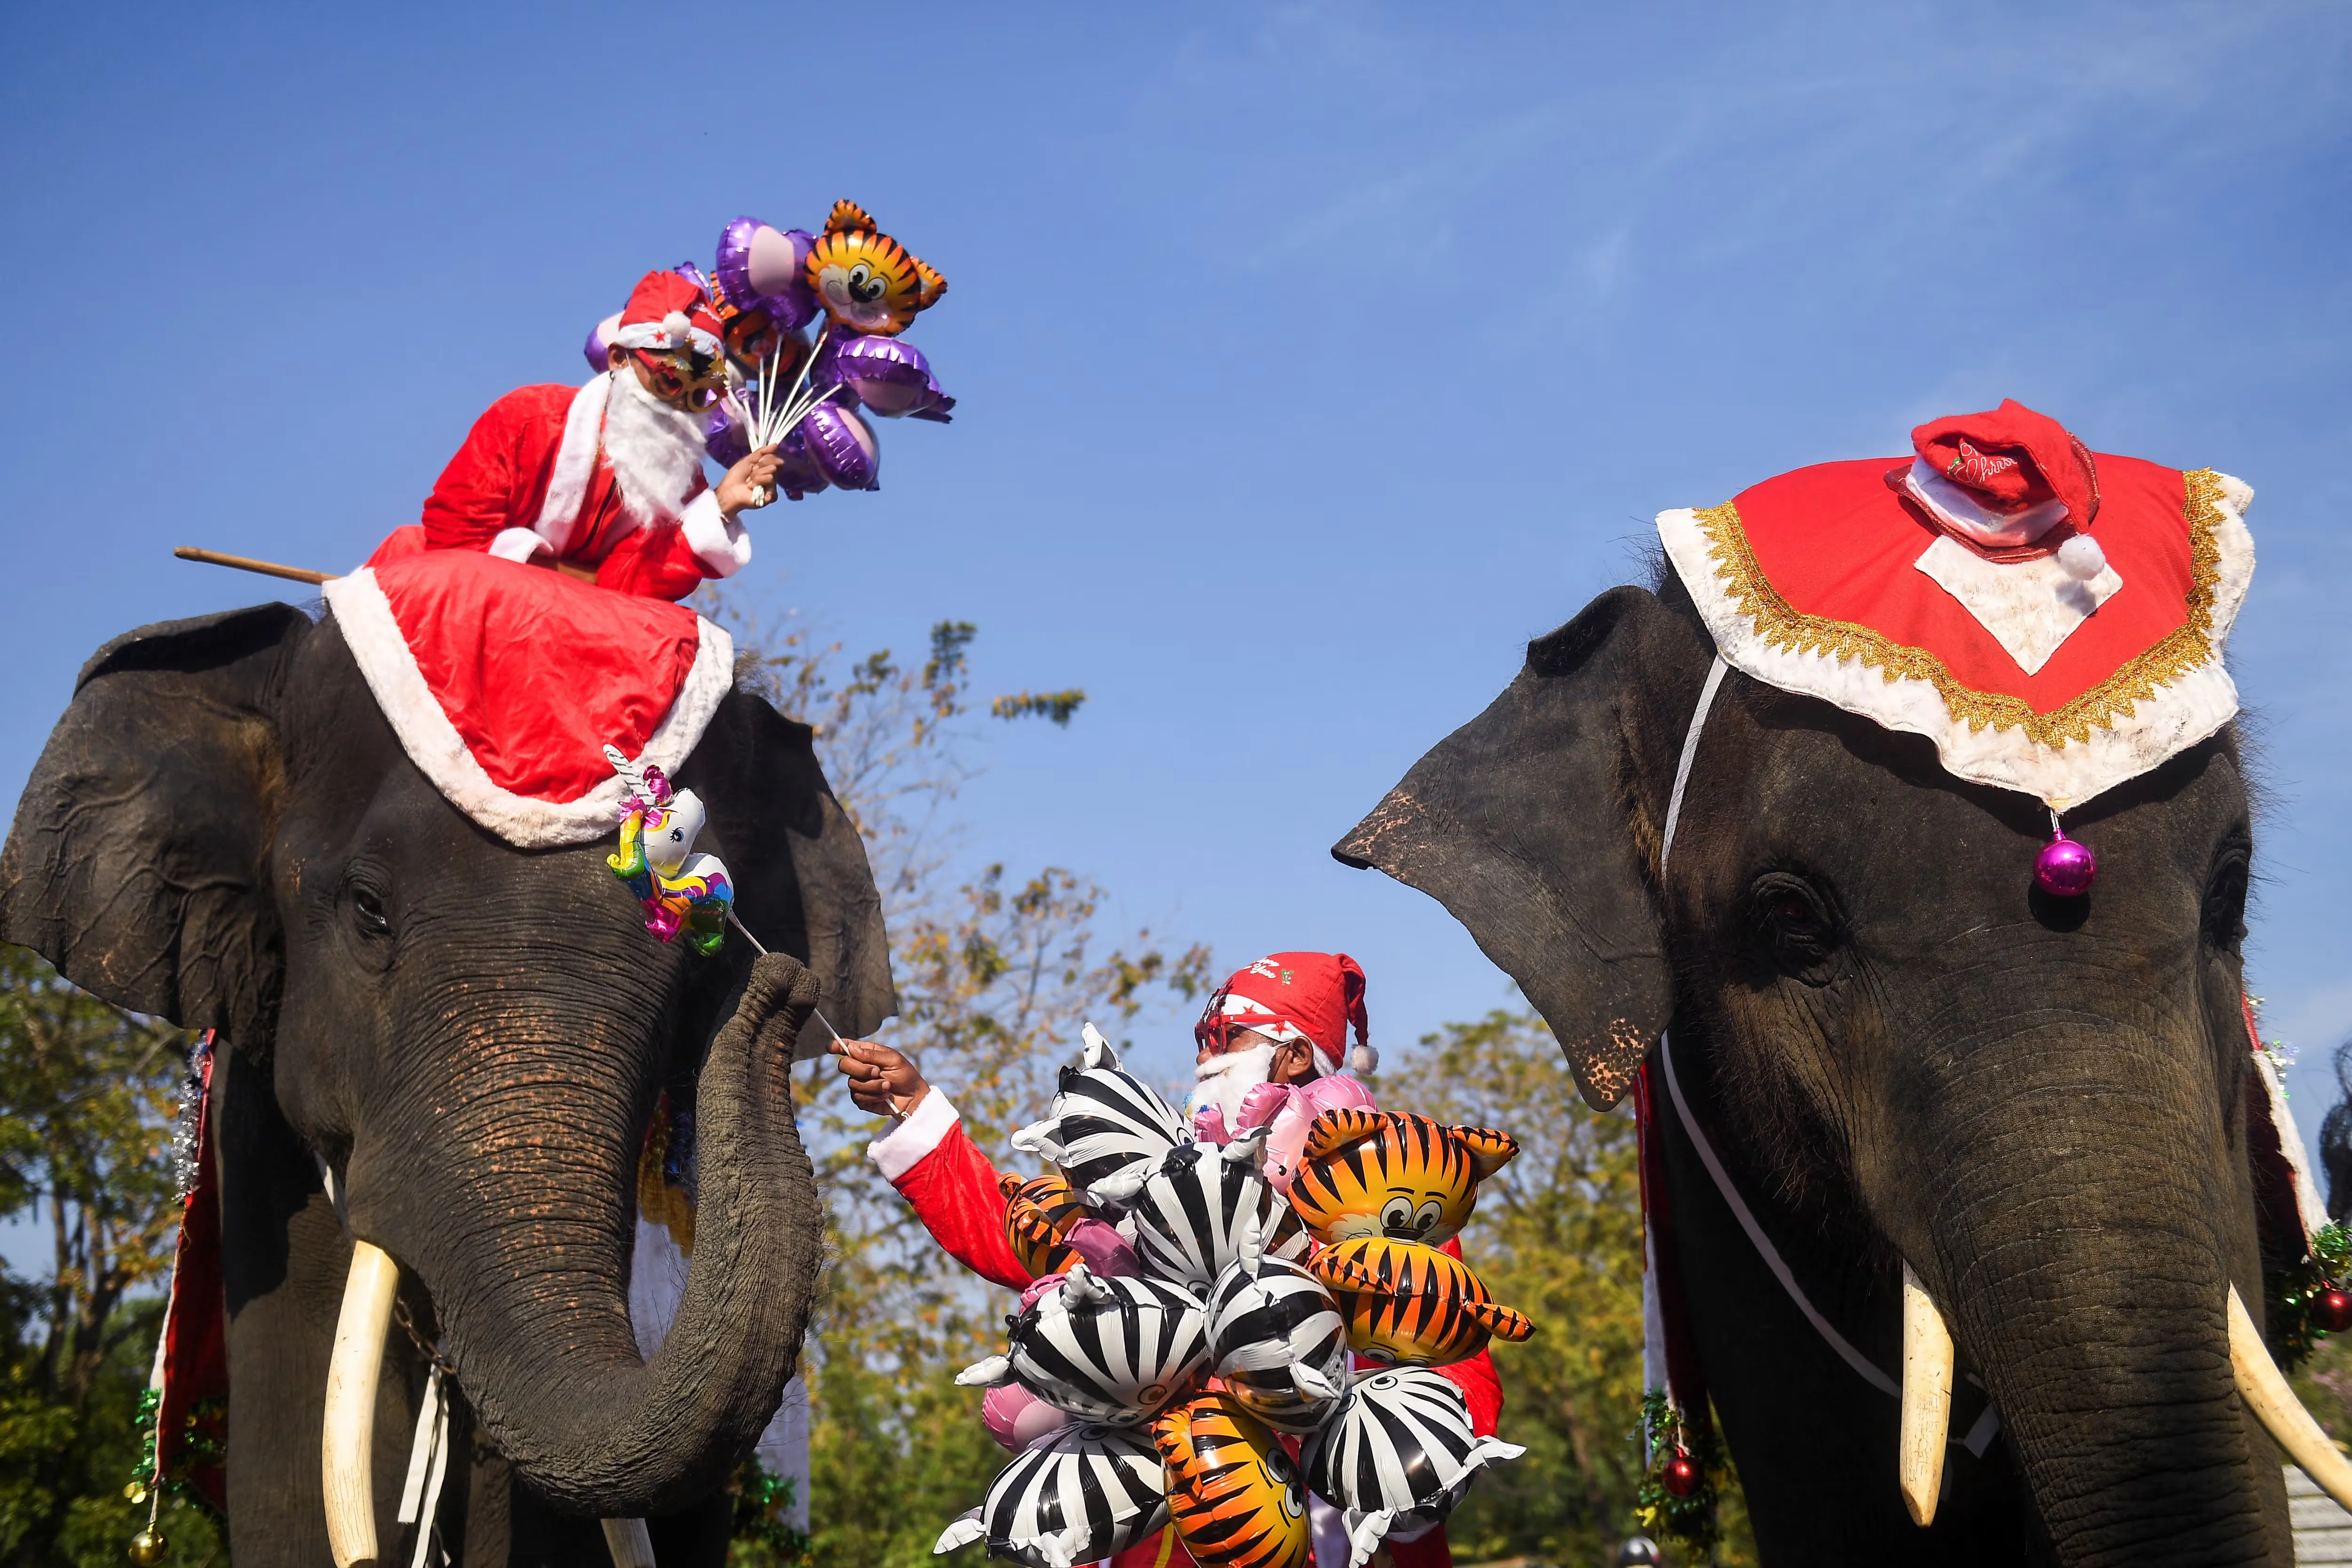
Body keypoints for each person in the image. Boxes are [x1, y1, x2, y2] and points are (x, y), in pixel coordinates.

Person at [833, 952, 1502, 1568]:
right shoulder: (1156, 1185)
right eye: (1200, 1037)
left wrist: (1396, 1458)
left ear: (1295, 1055)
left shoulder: (1387, 1203)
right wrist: (915, 1106)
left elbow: (1463, 1378)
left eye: (1226, 1035)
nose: (1204, 1054)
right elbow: (1008, 1228)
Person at [369, 269, 784, 600]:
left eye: (702, 395)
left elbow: (643, 584)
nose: (679, 404)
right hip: (467, 594)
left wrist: (724, 504)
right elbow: (456, 536)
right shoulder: (529, 417)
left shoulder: (683, 481)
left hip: (582, 623)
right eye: (671, 380)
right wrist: (585, 583)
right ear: (620, 359)